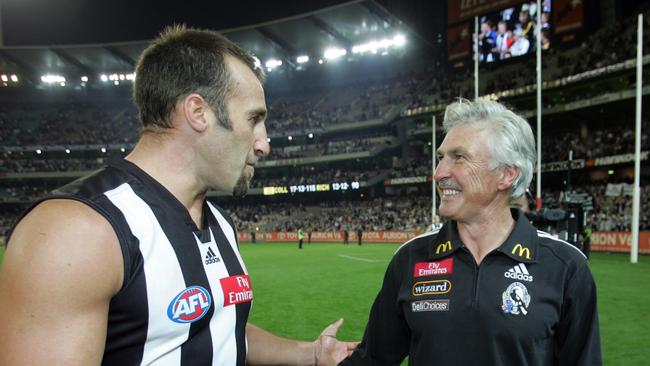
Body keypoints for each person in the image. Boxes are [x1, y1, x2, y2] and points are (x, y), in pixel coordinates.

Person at [0, 26, 355, 366]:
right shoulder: (78, 231)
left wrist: (309, 354)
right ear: (198, 112)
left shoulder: (219, 223)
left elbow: (214, 330)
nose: (263, 144)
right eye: (253, 120)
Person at [342, 99, 601, 365]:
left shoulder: (565, 266)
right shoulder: (411, 258)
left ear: (506, 175)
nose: (439, 173)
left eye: (459, 157)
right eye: (441, 158)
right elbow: (373, 360)